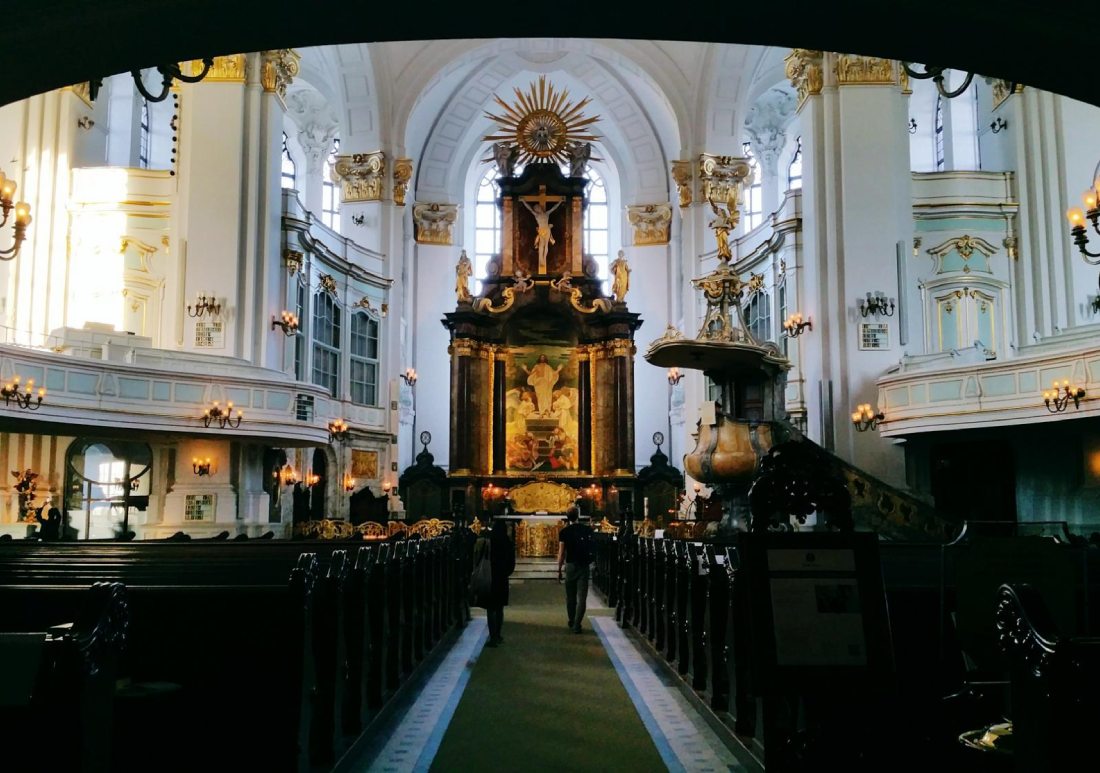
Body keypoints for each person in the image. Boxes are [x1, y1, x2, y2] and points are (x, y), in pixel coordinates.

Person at [474, 517, 516, 647]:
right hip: (502, 577)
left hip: (490, 575)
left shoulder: (489, 541)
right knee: (499, 607)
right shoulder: (508, 542)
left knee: (491, 608)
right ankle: (498, 634)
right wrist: (507, 572)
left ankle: (492, 636)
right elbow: (512, 562)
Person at [557, 506, 594, 633]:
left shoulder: (564, 532)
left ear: (567, 517)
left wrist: (559, 568)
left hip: (570, 565)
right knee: (582, 598)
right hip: (583, 565)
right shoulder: (587, 529)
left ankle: (572, 619)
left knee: (570, 596)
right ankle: (577, 625)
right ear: (578, 515)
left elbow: (561, 553)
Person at [520, 198, 563, 267]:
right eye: (536, 208)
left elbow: (553, 208)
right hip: (542, 230)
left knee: (546, 245)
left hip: (547, 230)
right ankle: (541, 260)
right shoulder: (536, 215)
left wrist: (560, 202)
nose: (537, 209)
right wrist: (523, 201)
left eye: (538, 207)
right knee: (541, 245)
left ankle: (544, 259)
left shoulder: (546, 214)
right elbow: (529, 209)